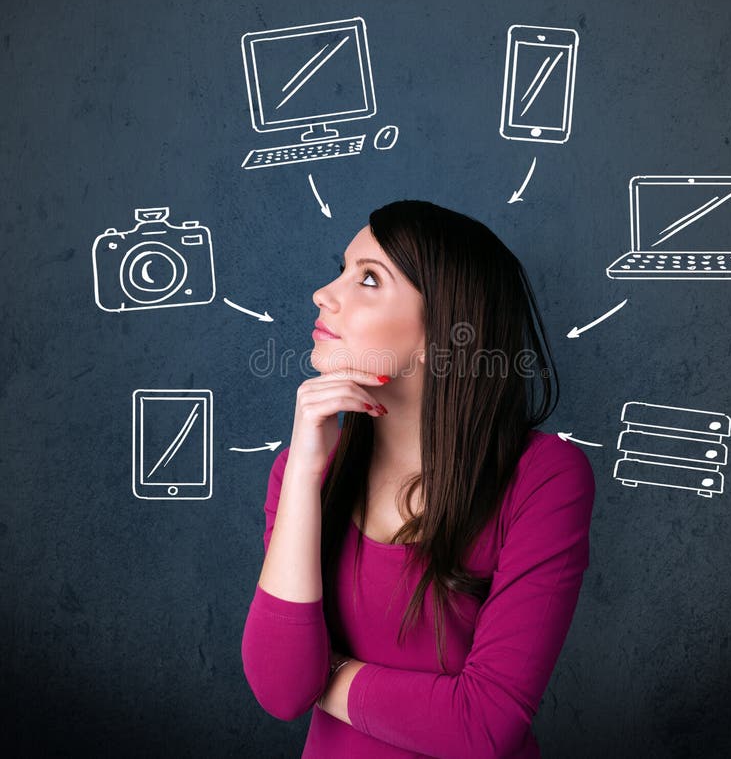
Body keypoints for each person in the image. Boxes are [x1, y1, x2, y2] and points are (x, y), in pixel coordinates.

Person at [241, 200, 596, 757]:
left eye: (368, 279)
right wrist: (306, 474)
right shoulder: (300, 471)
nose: (324, 294)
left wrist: (324, 673)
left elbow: (481, 726)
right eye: (342, 270)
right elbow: (282, 693)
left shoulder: (545, 478)